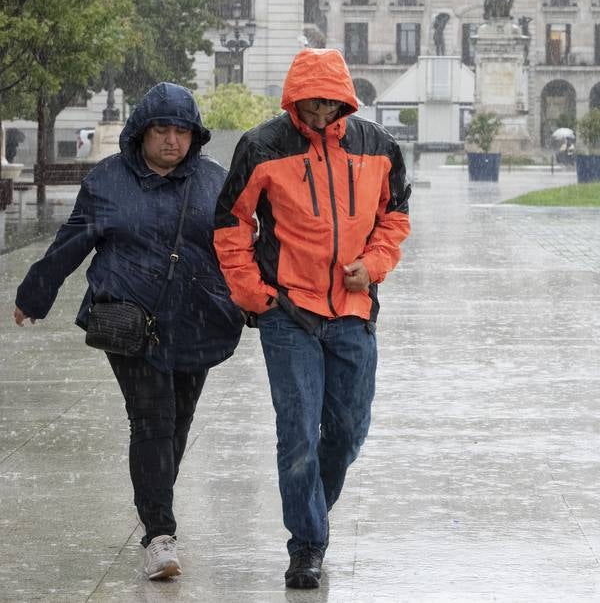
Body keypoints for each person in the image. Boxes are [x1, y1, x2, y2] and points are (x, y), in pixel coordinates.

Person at [14, 82, 244, 581]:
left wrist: (259, 300)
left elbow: (240, 247)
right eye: (162, 129)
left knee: (178, 422)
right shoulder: (107, 182)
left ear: (194, 135)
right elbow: (69, 243)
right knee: (152, 418)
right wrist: (35, 294)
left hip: (197, 319)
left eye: (182, 130)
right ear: (142, 131)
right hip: (129, 321)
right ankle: (159, 534)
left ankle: (153, 497)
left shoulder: (215, 182)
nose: (171, 140)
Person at [214, 48, 411, 590]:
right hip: (289, 314)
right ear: (295, 98)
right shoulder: (261, 147)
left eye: (330, 102)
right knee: (297, 432)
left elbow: (395, 218)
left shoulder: (378, 146)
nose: (321, 112)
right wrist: (254, 294)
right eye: (311, 102)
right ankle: (307, 544)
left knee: (347, 431)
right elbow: (231, 225)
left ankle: (312, 511)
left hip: (353, 312)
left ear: (344, 98)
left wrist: (371, 268)